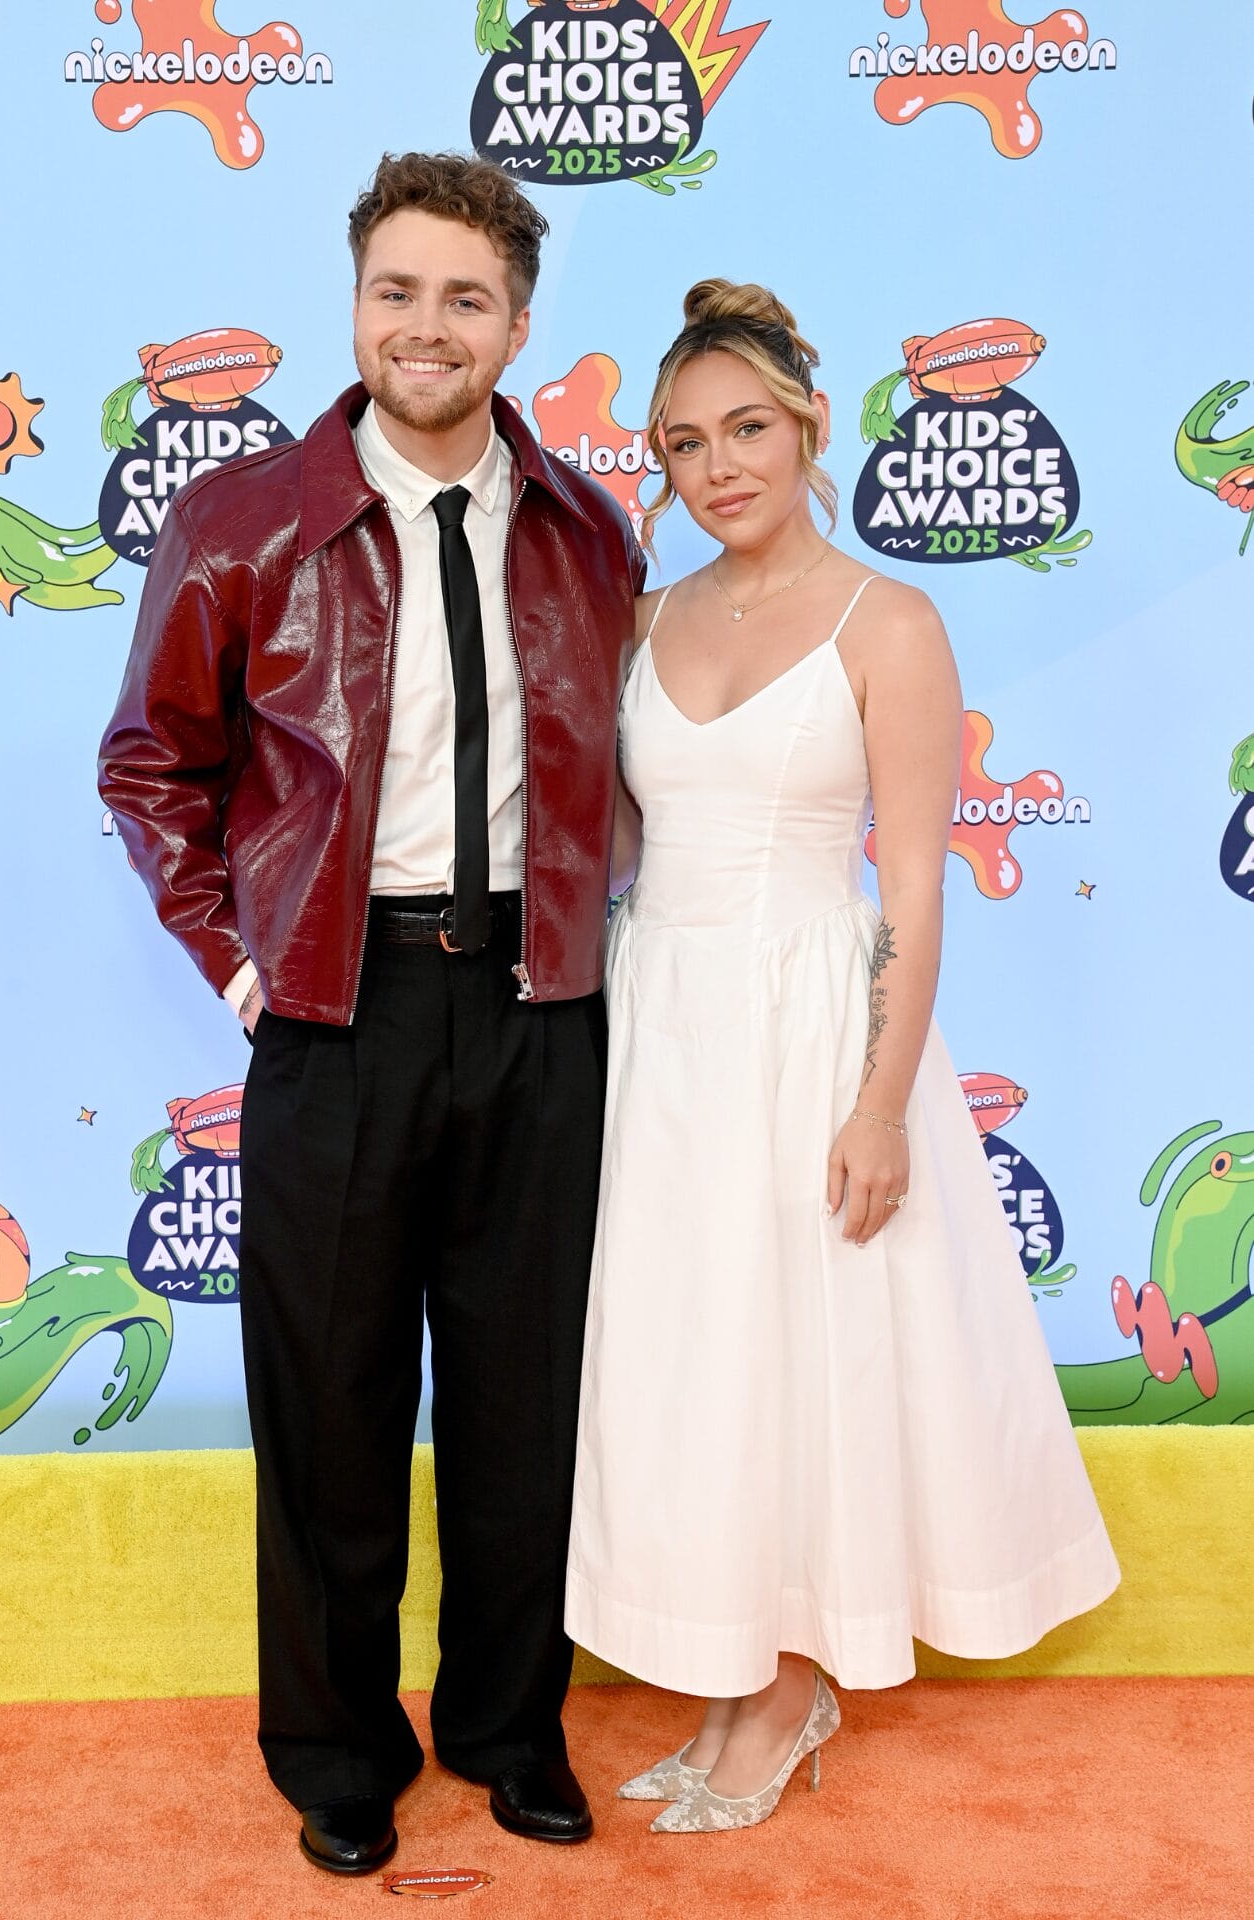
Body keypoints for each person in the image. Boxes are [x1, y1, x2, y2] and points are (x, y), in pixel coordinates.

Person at [99, 152, 644, 1874]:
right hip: (340, 1009)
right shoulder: (242, 521)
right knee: (330, 1402)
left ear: (517, 328)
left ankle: (507, 1724)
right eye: (398, 290)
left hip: (541, 1009)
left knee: (521, 1403)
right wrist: (242, 962)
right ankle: (335, 1743)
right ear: (355, 303)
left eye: (465, 299)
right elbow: (152, 766)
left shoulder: (587, 531)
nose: (428, 325)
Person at [564, 279, 1120, 1835]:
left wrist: (880, 1106)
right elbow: (625, 842)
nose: (717, 467)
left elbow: (917, 891)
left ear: (811, 428)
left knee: (806, 1349)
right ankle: (728, 1671)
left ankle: (792, 1682)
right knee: (693, 1351)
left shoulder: (894, 624)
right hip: (659, 1017)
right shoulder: (646, 618)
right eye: (683, 444)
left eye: (746, 429)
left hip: (814, 1019)